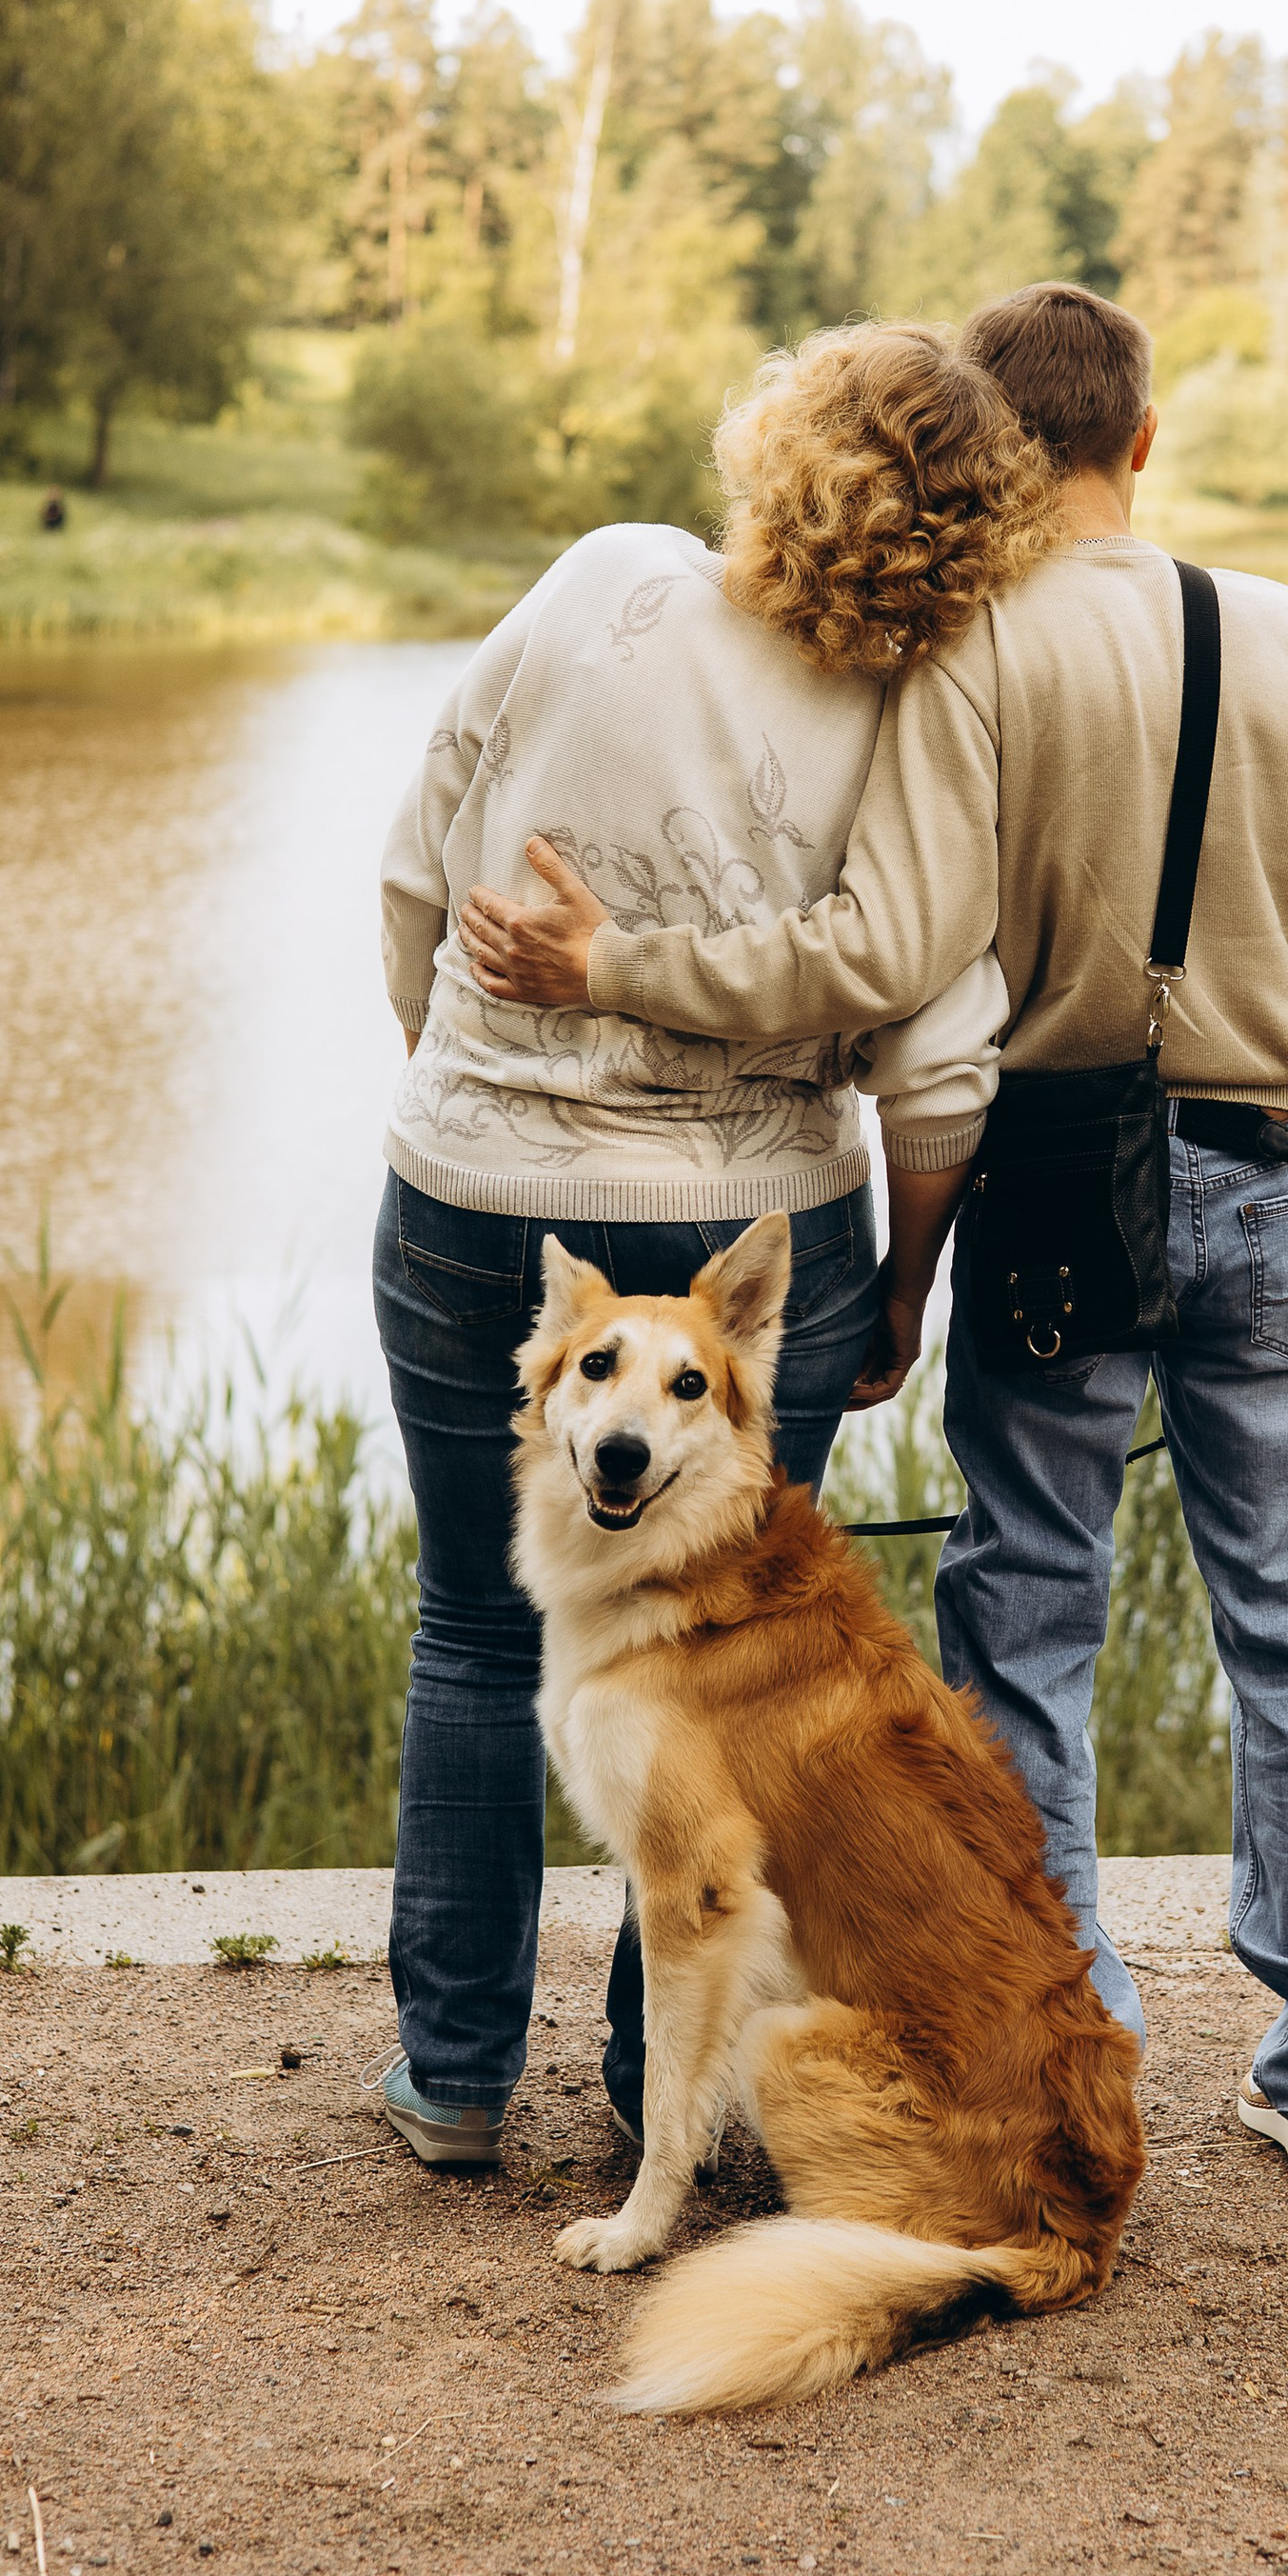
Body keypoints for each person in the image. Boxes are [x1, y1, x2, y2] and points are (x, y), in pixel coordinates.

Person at [463, 282, 1288, 2176]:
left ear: (997, 437)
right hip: (1273, 1167)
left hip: (1060, 1184)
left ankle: (1087, 2030)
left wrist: (897, 1272)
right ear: (1139, 442)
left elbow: (904, 971)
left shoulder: (976, 644)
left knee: (1026, 1639)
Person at [371, 322, 1053, 2168]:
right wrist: (902, 1282)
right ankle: (643, 2088)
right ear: (968, 530)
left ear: (776, 446)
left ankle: (444, 2078)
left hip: (469, 1193)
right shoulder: (917, 701)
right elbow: (936, 1061)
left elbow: (418, 859)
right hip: (751, 1241)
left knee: (463, 1618)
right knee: (716, 1664)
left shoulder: (605, 577)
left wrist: (458, 1096)